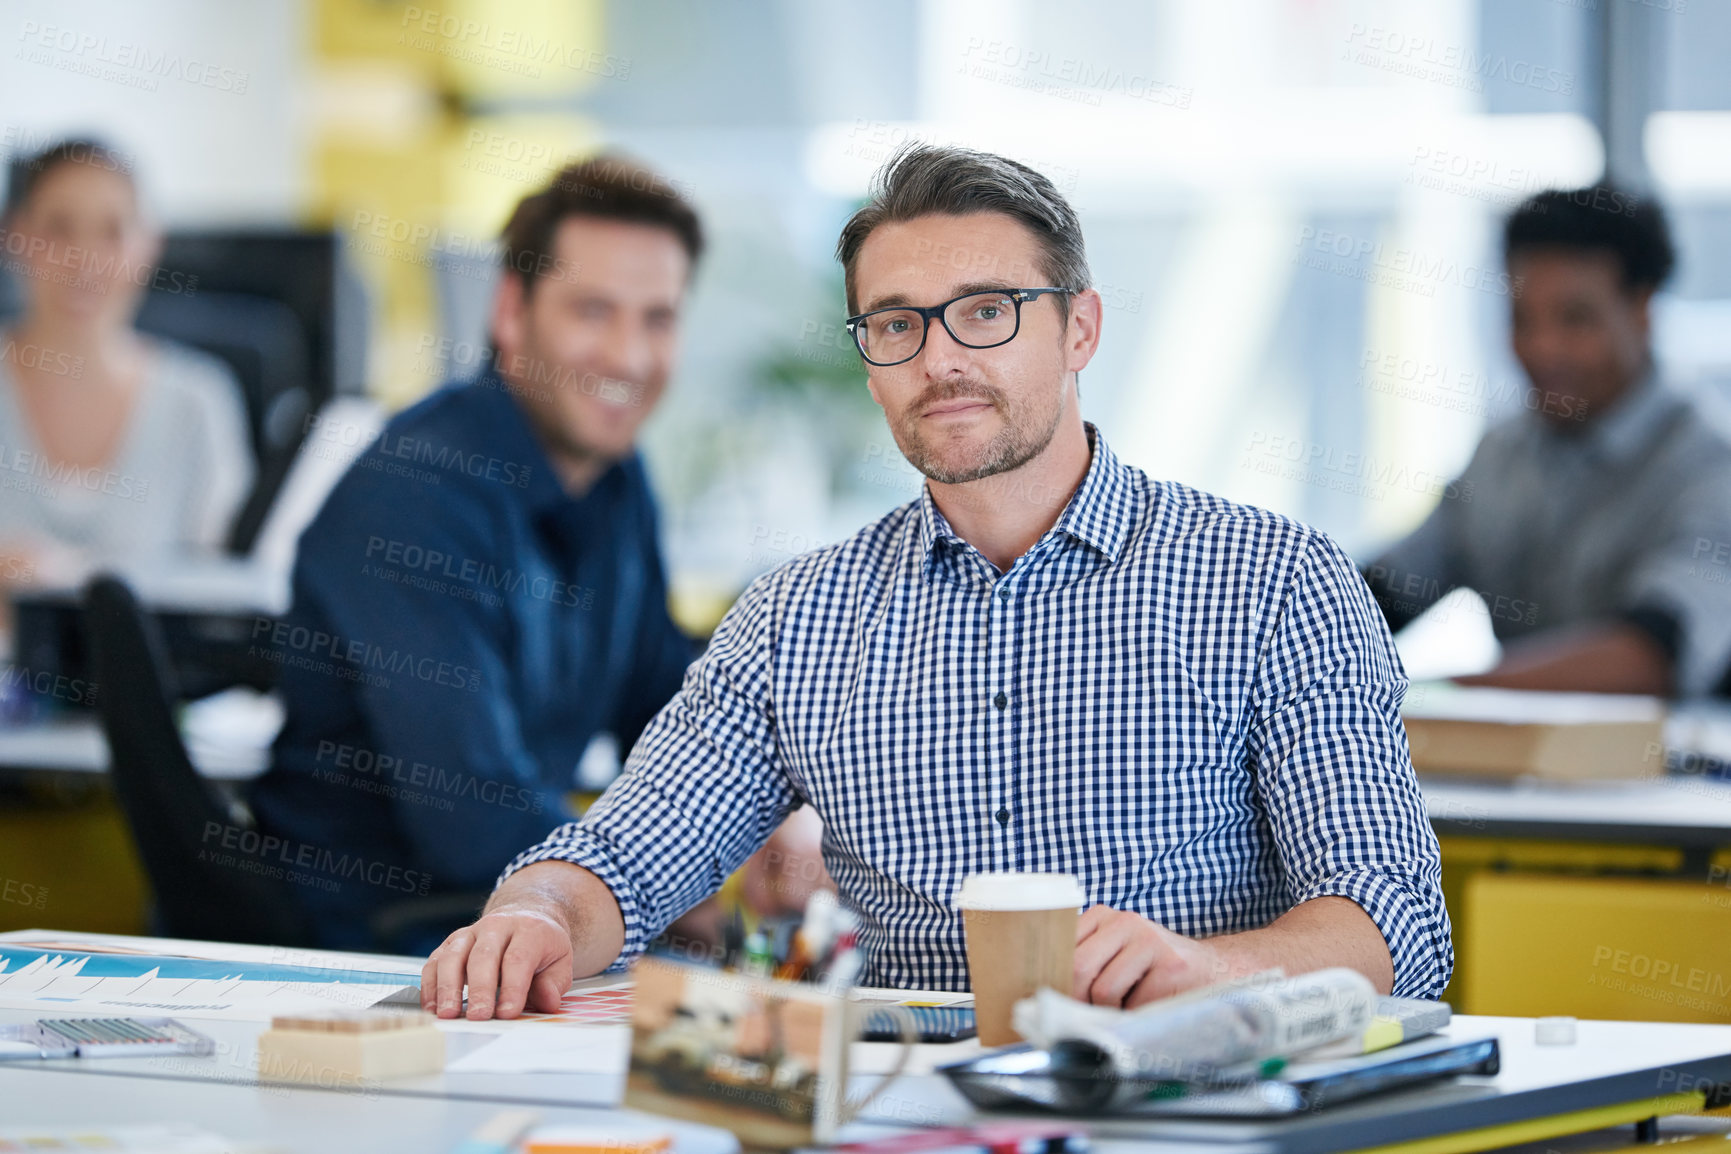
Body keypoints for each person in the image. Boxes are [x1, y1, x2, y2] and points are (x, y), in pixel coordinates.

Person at [423, 144, 1452, 1019]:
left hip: (1181, 1104)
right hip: (898, 1108)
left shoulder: (1276, 582)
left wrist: (1212, 970)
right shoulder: (800, 615)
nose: (941, 357)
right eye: (898, 322)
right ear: (870, 357)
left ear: (1080, 328)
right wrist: (538, 914)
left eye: (987, 311)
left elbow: (1394, 920)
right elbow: (624, 854)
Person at [251, 155, 822, 952]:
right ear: (511, 313)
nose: (628, 356)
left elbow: (665, 711)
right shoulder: (416, 493)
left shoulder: (619, 481)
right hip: (376, 944)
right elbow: (472, 817)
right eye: (593, 310)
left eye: (657, 318)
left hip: (518, 925)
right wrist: (683, 906)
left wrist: (769, 828)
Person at [1363, 187, 1731, 697]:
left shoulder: (1712, 467)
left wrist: (1449, 694)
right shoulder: (1502, 453)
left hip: (1670, 771)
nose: (1541, 349)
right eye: (1521, 319)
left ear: (1643, 310)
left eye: (1575, 318)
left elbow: (1651, 657)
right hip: (1516, 770)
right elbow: (1381, 594)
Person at [0, 138, 253, 600]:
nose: (84, 260)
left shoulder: (196, 401)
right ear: (16, 237)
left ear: (149, 246)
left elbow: (225, 593)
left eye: (111, 231)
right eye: (59, 229)